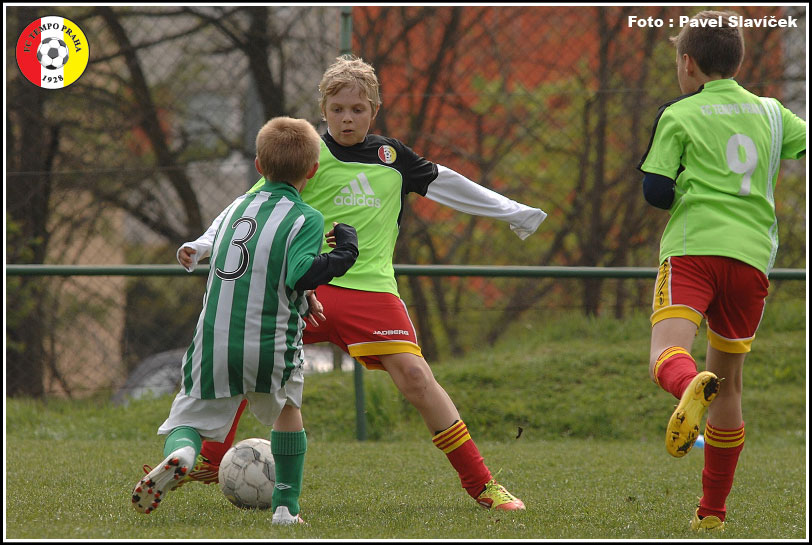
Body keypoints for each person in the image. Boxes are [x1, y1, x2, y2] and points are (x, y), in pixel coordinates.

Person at [177, 54, 547, 511]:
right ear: (323, 111)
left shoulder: (393, 158)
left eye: (357, 109)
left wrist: (514, 212)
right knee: (250, 355)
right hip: (307, 290)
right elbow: (246, 208)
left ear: (374, 110)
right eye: (337, 110)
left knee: (416, 377)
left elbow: (450, 183)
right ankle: (210, 459)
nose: (347, 118)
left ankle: (482, 485)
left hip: (372, 292)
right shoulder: (307, 157)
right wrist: (204, 244)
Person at [131, 116, 359, 524]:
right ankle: (285, 508)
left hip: (215, 342)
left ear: (258, 165)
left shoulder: (236, 208)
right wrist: (345, 252)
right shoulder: (306, 217)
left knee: (188, 421)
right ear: (312, 170)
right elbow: (299, 273)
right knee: (287, 411)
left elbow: (258, 266)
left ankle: (182, 453)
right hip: (271, 344)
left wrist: (303, 297)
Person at [637, 10, 806, 532]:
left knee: (666, 354)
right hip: (751, 259)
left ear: (687, 63)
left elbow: (655, 191)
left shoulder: (679, 114)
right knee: (730, 388)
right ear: (738, 61)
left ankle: (689, 384)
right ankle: (712, 513)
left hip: (693, 250)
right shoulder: (773, 114)